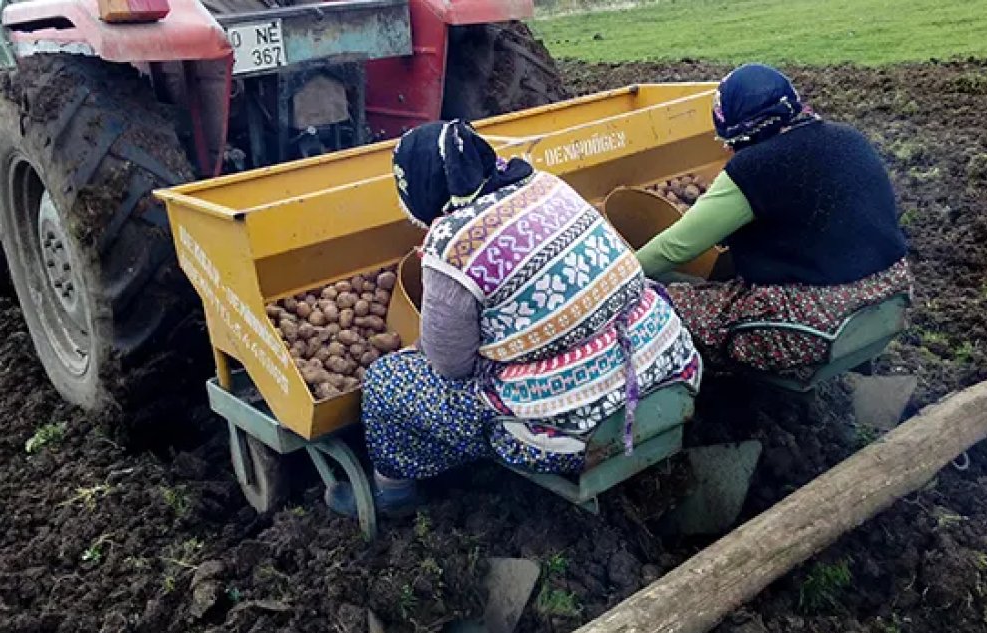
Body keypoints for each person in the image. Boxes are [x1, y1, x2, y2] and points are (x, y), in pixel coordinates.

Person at [325, 120, 703, 518]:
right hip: (668, 368)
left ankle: (392, 492)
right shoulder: (548, 185)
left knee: (388, 382)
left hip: (575, 429)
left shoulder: (452, 244)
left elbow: (450, 366)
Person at [635, 63, 912, 377]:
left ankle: (715, 399)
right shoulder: (849, 138)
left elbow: (675, 249)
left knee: (660, 306)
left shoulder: (755, 167)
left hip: (820, 322)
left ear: (740, 131)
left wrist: (619, 280)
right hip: (890, 294)